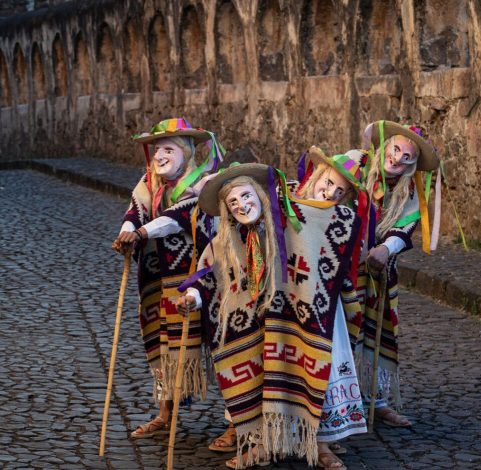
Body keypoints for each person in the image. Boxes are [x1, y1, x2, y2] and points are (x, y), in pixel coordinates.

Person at [176, 163, 361, 469]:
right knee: (260, 377)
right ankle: (262, 445)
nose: (242, 205)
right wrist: (192, 299)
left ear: (259, 194)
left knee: (315, 373)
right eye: (233, 203)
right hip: (257, 323)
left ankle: (321, 445)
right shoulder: (225, 242)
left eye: (246, 196)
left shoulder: (290, 222)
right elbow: (206, 276)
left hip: (302, 315)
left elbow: (337, 219)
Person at [111, 117, 223, 439]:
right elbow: (135, 212)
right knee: (162, 344)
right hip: (157, 279)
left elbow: (178, 217)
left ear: (186, 152)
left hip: (199, 278)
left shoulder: (202, 184)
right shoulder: (149, 184)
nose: (160, 155)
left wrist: (143, 232)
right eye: (157, 149)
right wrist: (126, 234)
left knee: (220, 345)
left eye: (168, 149)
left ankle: (236, 422)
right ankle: (165, 413)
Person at [358, 120, 440, 428]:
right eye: (395, 150)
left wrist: (385, 249)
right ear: (386, 146)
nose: (398, 160)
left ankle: (376, 400)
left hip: (379, 275)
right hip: (341, 270)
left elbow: (406, 227)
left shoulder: (408, 192)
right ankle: (340, 401)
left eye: (408, 157)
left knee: (378, 331)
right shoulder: (357, 168)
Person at [295, 147, 370, 470]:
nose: (330, 193)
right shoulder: (289, 206)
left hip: (326, 307)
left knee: (324, 364)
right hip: (287, 304)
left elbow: (344, 263)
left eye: (340, 192)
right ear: (316, 175)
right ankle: (264, 436)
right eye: (327, 183)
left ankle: (322, 441)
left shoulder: (344, 219)